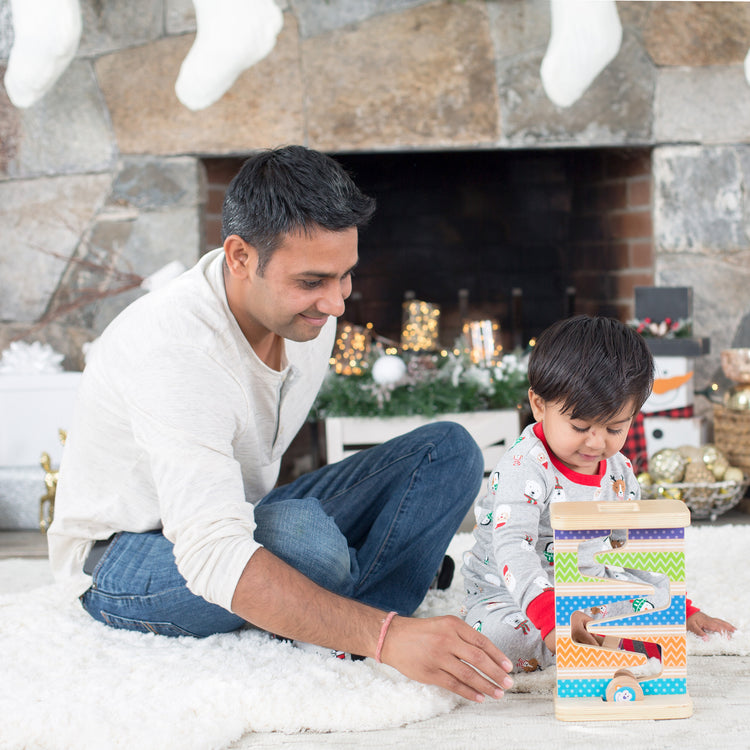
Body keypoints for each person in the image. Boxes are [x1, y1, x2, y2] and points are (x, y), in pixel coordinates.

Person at [48, 145, 514, 703]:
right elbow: (212, 554)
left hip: (235, 516)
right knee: (306, 541)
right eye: (313, 281)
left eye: (346, 276)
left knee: (451, 450)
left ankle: (342, 613)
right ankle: (375, 621)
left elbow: (238, 519)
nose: (338, 304)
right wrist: (385, 638)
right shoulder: (176, 351)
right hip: (125, 558)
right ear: (241, 256)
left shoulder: (306, 319)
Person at [461, 315, 735, 673]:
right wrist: (550, 617)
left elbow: (632, 549)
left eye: (614, 428)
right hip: (513, 594)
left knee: (652, 606)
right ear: (539, 405)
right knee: (500, 638)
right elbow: (513, 545)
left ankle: (595, 638)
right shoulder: (524, 466)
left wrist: (681, 609)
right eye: (580, 427)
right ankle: (583, 642)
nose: (596, 441)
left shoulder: (619, 471)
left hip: (585, 585)